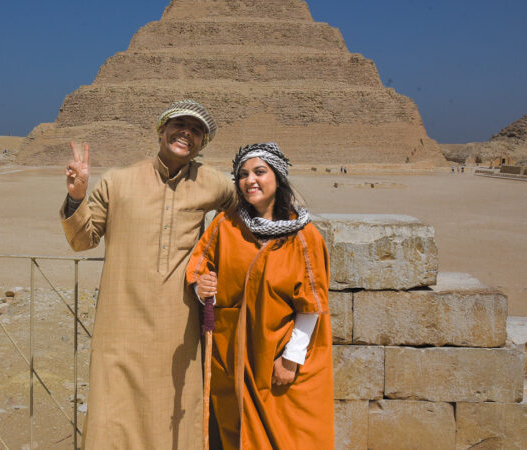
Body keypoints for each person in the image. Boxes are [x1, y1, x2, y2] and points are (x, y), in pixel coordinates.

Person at [60, 99, 236, 449]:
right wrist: (77, 196)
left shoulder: (213, 184)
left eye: (196, 130)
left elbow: (245, 216)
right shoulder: (118, 182)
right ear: (161, 129)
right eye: (179, 124)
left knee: (174, 415)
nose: (186, 132)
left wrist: (210, 264)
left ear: (202, 143)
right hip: (120, 327)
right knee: (115, 417)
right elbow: (83, 240)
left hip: (177, 328)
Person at [187, 142, 334, 449]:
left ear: (278, 177)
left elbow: (311, 305)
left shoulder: (303, 236)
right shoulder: (227, 224)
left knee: (291, 436)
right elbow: (199, 266)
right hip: (234, 356)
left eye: (259, 172)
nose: (250, 180)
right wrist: (201, 288)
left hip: (277, 358)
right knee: (237, 434)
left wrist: (291, 359)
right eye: (242, 174)